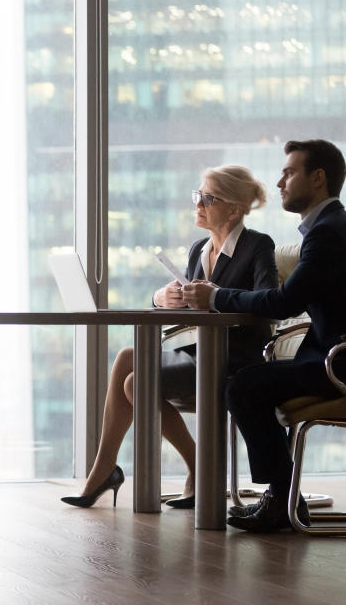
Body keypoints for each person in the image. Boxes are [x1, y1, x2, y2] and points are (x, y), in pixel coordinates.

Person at [183, 140, 346, 532]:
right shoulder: (329, 229)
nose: (279, 181)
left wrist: (217, 295)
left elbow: (284, 302)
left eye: (289, 172)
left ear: (318, 178)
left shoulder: (330, 233)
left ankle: (281, 498)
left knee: (245, 386)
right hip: (342, 359)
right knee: (250, 383)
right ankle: (284, 495)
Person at [62, 166, 278, 509]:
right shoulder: (198, 250)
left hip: (234, 358)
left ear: (235, 209)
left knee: (136, 384)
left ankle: (196, 466)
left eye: (208, 198)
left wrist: (216, 294)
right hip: (194, 351)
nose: (198, 205)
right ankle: (105, 468)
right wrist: (161, 298)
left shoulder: (257, 246)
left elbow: (268, 301)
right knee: (127, 358)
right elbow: (191, 308)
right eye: (198, 196)